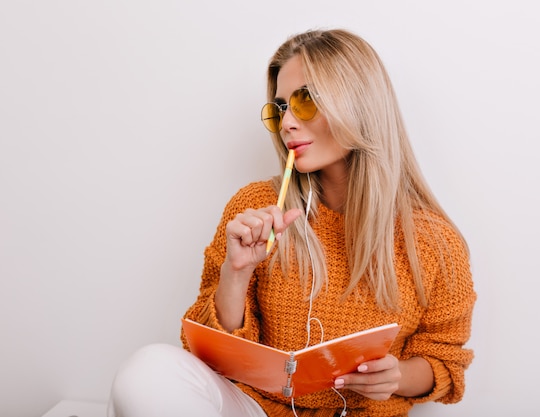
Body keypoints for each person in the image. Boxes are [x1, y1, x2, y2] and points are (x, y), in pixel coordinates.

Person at [107, 28, 476, 417]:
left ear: (358, 103)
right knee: (147, 372)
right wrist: (236, 273)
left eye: (305, 102)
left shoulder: (434, 241)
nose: (286, 124)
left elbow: (445, 362)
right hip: (257, 408)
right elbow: (206, 355)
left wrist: (398, 376)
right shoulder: (256, 207)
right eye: (281, 107)